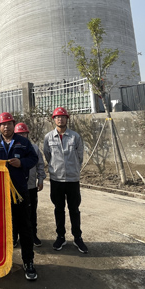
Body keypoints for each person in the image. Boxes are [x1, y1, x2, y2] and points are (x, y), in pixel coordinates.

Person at [0, 112, 39, 281]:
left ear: (14, 125)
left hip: (19, 192)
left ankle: (28, 262)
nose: (6, 127)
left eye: (8, 123)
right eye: (3, 124)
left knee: (25, 227)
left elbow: (33, 158)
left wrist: (22, 163)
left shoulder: (23, 143)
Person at [43, 107, 88, 254]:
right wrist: (56, 168)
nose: (60, 119)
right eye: (57, 117)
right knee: (59, 209)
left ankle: (77, 237)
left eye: (63, 117)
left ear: (67, 119)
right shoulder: (48, 137)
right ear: (53, 119)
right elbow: (48, 155)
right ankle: (60, 236)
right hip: (56, 179)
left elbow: (80, 157)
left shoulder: (75, 137)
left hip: (72, 179)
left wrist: (72, 169)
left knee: (74, 209)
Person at [14, 122, 45, 247]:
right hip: (15, 187)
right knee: (15, 213)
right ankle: (14, 236)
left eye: (24, 133)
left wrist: (41, 179)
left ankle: (33, 235)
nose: (22, 136)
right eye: (19, 134)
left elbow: (40, 165)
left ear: (27, 134)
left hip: (31, 186)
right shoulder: (12, 148)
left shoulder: (34, 148)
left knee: (31, 212)